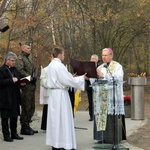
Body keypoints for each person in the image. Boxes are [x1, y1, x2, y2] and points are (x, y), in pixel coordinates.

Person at [46, 47, 87, 150]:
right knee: (63, 119)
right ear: (59, 55)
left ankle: (56, 142)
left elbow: (64, 78)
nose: (64, 56)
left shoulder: (51, 65)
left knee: (55, 120)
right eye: (63, 54)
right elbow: (68, 81)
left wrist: (72, 77)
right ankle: (64, 143)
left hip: (54, 95)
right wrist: (82, 78)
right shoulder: (59, 66)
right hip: (60, 96)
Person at [94, 48, 126, 144]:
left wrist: (103, 75)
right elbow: (94, 81)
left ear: (111, 56)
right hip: (102, 97)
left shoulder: (117, 66)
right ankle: (102, 138)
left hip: (112, 97)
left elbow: (118, 78)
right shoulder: (99, 67)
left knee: (111, 117)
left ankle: (113, 138)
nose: (103, 57)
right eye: (102, 55)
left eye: (106, 55)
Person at [0, 52, 23, 142]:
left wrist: (22, 83)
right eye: (12, 61)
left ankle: (14, 133)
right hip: (5, 97)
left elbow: (18, 78)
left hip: (15, 96)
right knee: (5, 117)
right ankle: (6, 135)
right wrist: (11, 80)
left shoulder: (15, 69)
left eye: (15, 61)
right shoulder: (1, 70)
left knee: (14, 116)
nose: (14, 62)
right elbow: (1, 82)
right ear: (7, 60)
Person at [16, 42, 38, 135]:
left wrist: (34, 76)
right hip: (26, 85)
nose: (30, 50)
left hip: (31, 85)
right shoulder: (20, 58)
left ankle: (28, 124)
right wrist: (30, 77)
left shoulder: (28, 59)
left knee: (31, 106)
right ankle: (24, 127)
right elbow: (20, 70)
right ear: (23, 49)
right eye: (28, 48)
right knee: (26, 106)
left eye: (30, 48)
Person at [40, 54, 53, 130]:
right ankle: (45, 126)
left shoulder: (60, 68)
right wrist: (50, 84)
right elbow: (42, 82)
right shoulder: (45, 69)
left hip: (57, 94)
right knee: (47, 110)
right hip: (48, 93)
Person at [85, 54, 99, 121]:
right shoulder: (87, 67)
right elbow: (84, 75)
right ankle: (91, 116)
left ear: (97, 60)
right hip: (89, 86)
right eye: (91, 58)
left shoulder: (100, 67)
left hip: (98, 86)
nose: (92, 60)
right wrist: (86, 78)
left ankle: (97, 114)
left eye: (94, 58)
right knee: (91, 102)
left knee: (97, 101)